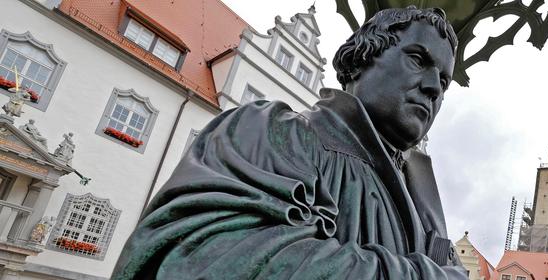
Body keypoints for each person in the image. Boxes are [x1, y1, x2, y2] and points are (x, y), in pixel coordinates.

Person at [113, 6, 467, 279]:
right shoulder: (273, 130)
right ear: (363, 58)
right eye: (418, 60)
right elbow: (193, 257)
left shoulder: (421, 194)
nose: (434, 87)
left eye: (445, 81)